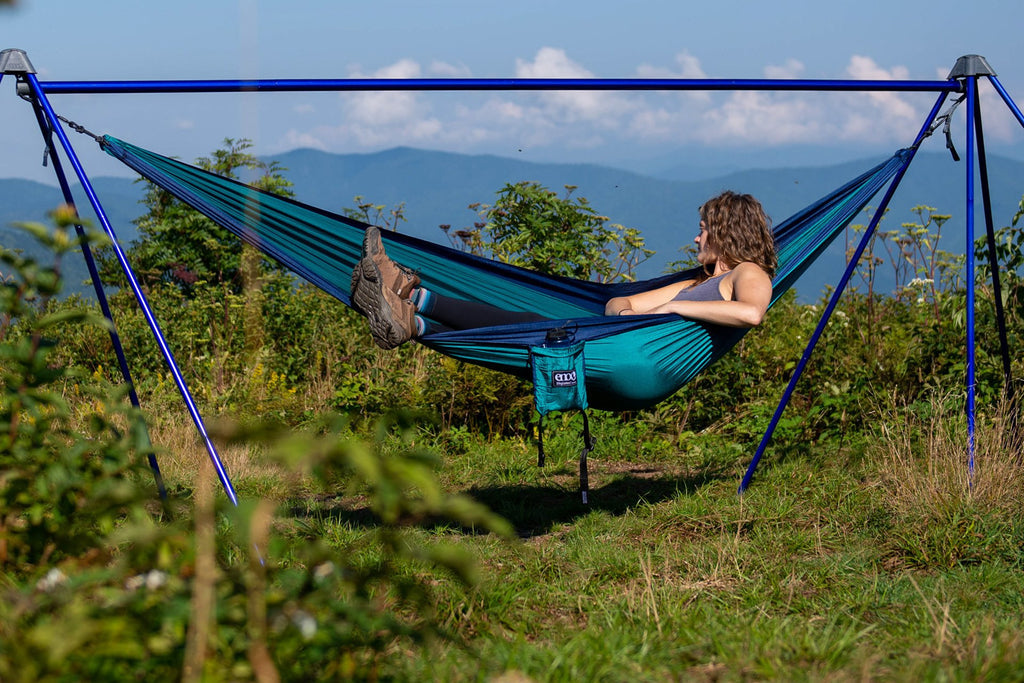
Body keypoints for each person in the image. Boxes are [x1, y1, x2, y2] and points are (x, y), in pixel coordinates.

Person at [351, 190, 776, 350]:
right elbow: (618, 302)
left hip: (632, 358)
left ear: (725, 231)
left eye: (703, 231)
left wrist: (676, 311)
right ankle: (411, 318)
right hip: (620, 341)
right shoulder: (694, 283)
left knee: (534, 328)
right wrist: (630, 315)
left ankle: (412, 295)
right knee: (530, 334)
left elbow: (751, 314)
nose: (696, 239)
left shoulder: (748, 273)